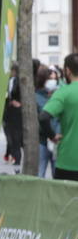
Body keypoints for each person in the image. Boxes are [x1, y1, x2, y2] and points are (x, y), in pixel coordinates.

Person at [47, 53, 78, 181]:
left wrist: (52, 135)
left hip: (68, 162)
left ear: (68, 71)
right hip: (68, 162)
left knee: (64, 200)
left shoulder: (63, 92)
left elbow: (43, 117)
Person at [37, 63, 59, 178]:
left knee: (57, 175)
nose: (53, 81)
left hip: (56, 141)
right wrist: (51, 135)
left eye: (54, 78)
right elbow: (40, 119)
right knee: (40, 173)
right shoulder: (36, 96)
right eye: (49, 78)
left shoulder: (59, 94)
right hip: (42, 141)